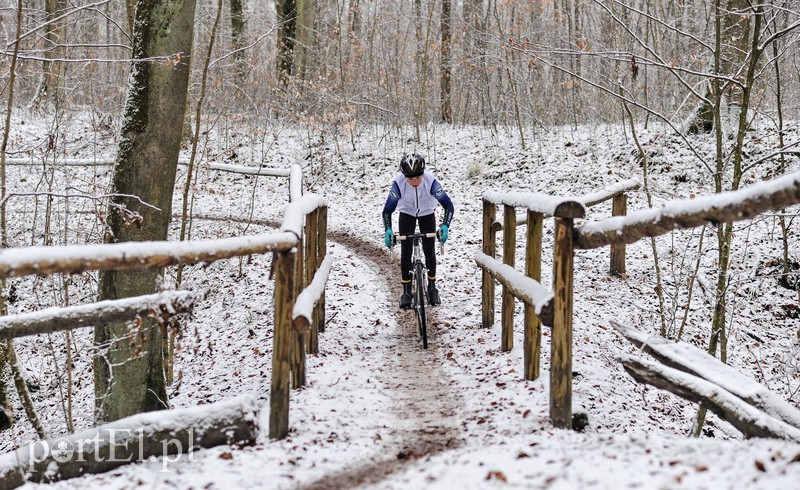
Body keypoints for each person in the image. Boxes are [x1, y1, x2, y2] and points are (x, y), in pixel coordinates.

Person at [382, 152, 454, 308]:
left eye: (417, 178)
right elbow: (387, 210)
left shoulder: (431, 182)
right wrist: (388, 230)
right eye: (410, 179)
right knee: (406, 250)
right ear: (404, 176)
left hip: (427, 213)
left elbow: (448, 206)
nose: (414, 182)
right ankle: (406, 292)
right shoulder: (398, 183)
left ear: (423, 174)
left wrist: (445, 226)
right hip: (406, 213)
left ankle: (432, 287)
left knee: (429, 249)